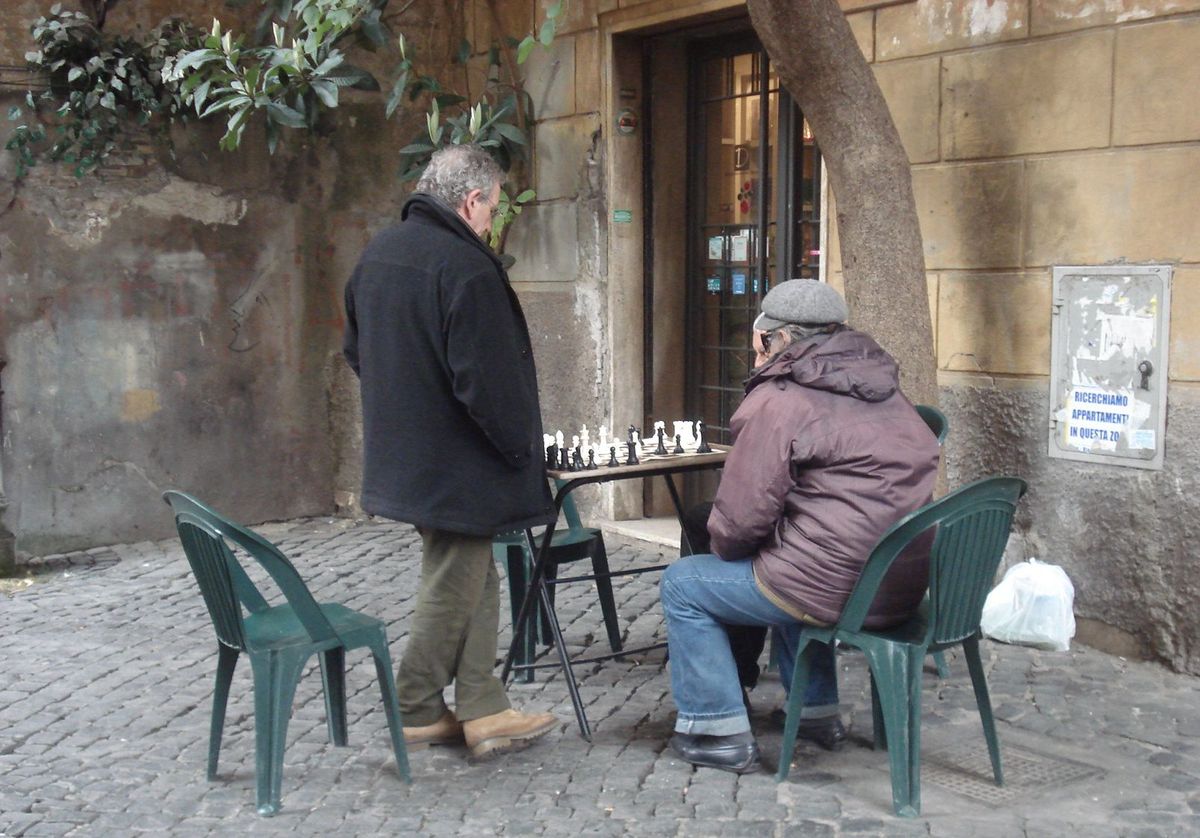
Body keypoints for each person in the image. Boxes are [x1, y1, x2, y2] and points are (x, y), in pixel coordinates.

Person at [661, 279, 940, 773]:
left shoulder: (782, 400)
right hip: (898, 585)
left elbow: (741, 519)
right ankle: (814, 711)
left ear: (782, 340)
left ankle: (715, 729)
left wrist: (729, 549)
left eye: (761, 342)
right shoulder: (885, 389)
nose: (756, 353)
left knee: (685, 583)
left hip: (835, 589)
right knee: (792, 557)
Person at [343, 144, 558, 760]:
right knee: (453, 577)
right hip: (460, 461)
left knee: (470, 571)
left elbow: (358, 352)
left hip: (410, 453)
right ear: (472, 202)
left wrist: (410, 401)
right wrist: (523, 448)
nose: (492, 220)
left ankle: (484, 706)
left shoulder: (380, 253)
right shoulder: (465, 267)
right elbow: (487, 383)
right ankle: (413, 701)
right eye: (492, 208)